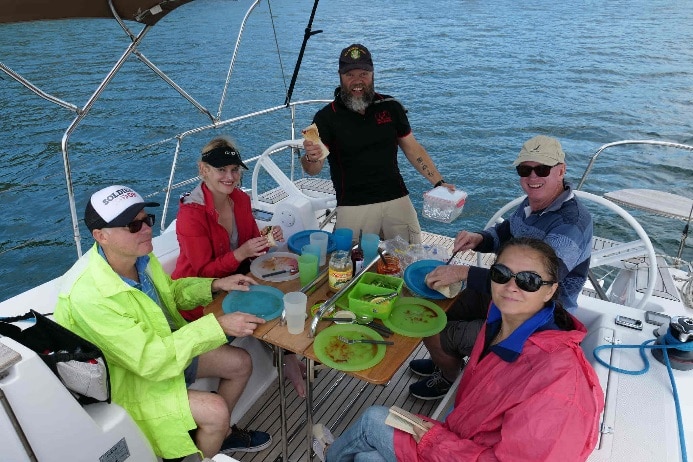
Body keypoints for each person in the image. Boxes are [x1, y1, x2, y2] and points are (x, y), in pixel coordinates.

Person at [315, 237, 604, 462]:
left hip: (458, 450)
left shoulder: (560, 386)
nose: (512, 286)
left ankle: (329, 455)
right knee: (367, 457)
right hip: (467, 438)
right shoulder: (499, 320)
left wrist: (434, 441)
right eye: (502, 274)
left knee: (372, 421)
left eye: (529, 280)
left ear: (551, 290)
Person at [54, 185, 272, 461]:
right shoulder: (88, 295)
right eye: (133, 225)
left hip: (163, 350)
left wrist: (216, 284)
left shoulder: (139, 258)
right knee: (216, 410)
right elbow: (151, 361)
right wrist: (218, 326)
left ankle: (219, 436)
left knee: (240, 363)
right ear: (101, 236)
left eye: (147, 220)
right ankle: (204, 443)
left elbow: (171, 293)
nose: (146, 229)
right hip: (129, 379)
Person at [409, 135, 593, 400]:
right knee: (435, 304)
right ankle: (445, 359)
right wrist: (480, 239)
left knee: (432, 328)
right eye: (524, 170)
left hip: (534, 318)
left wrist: (464, 272)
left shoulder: (571, 224)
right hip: (504, 294)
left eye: (541, 169)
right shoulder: (532, 203)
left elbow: (533, 284)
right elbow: (508, 232)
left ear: (561, 171)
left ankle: (449, 376)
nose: (532, 177)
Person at [172, 136, 307, 397]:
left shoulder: (240, 200)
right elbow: (202, 275)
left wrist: (266, 237)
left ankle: (288, 360)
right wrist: (240, 253)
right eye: (221, 170)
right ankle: (288, 360)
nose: (230, 177)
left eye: (234, 170)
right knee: (272, 302)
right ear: (204, 170)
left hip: (235, 284)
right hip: (200, 300)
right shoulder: (191, 214)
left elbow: (247, 245)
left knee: (291, 291)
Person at [301, 43, 454, 244]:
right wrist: (310, 157)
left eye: (363, 74)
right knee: (350, 266)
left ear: (372, 74)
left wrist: (439, 182)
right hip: (352, 204)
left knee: (410, 255)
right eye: (350, 75)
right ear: (340, 76)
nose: (357, 81)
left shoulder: (391, 106)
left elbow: (413, 149)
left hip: (396, 196)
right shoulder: (326, 117)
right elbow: (313, 168)